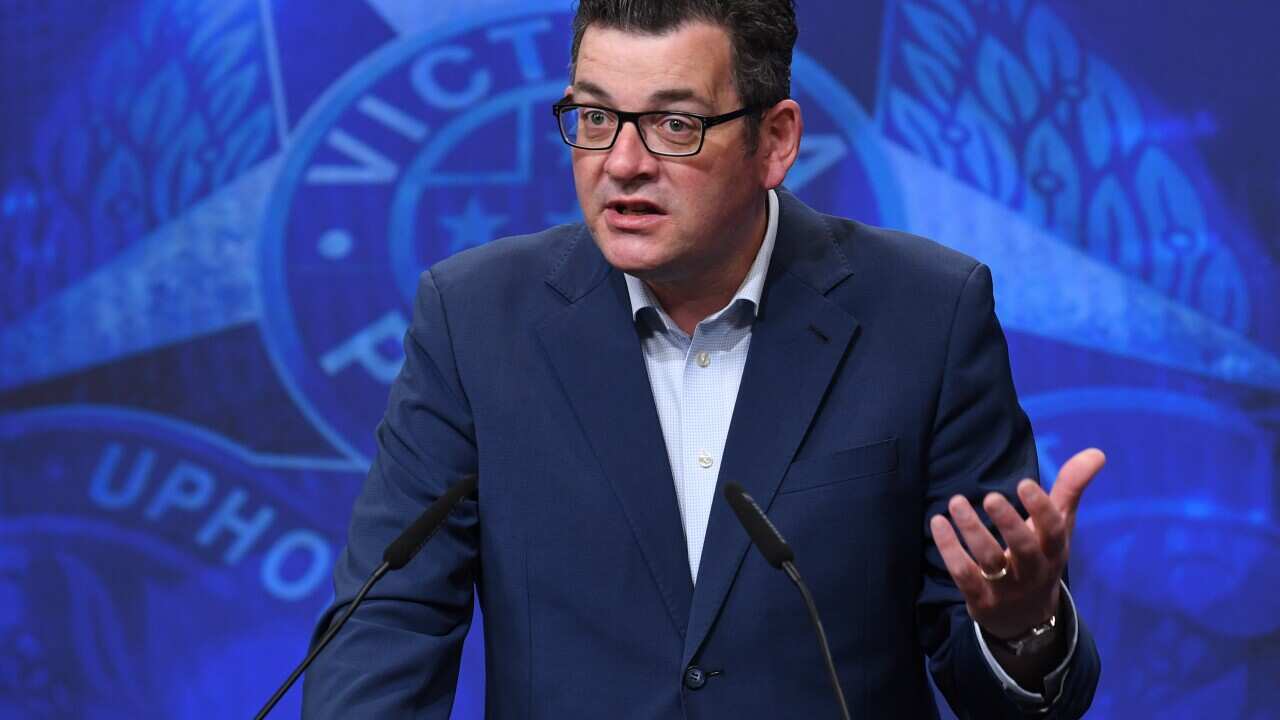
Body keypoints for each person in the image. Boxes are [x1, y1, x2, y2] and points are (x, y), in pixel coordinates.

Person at [302, 1, 1103, 717]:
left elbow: (1007, 685)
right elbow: (389, 620)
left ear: (776, 140)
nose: (622, 163)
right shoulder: (474, 321)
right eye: (593, 117)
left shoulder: (926, 315)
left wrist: (1021, 629)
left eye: (673, 125)